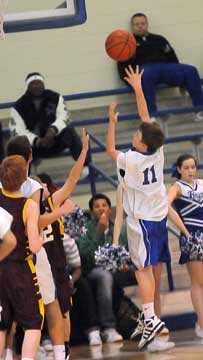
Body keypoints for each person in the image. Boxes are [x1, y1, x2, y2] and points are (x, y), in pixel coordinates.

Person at [106, 64, 171, 349]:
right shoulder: (157, 151)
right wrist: (137, 88)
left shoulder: (132, 160)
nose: (134, 133)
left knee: (142, 270)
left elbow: (109, 151)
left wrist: (111, 122)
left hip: (141, 220)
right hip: (158, 218)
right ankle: (149, 318)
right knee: (147, 269)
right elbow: (146, 117)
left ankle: (150, 317)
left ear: (142, 144)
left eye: (136, 135)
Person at [5, 135, 74, 360]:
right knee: (48, 307)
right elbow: (32, 223)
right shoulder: (33, 187)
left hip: (4, 256)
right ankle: (59, 353)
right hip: (28, 256)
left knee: (7, 317)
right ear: (31, 156)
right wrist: (59, 213)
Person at [114, 185, 174, 352]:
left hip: (158, 232)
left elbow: (166, 208)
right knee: (147, 288)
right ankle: (152, 335)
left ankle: (157, 334)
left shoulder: (155, 180)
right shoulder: (123, 185)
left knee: (155, 288)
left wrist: (185, 232)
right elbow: (119, 215)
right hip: (140, 233)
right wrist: (115, 243)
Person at [117, 13, 203, 121]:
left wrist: (182, 79)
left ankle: (200, 109)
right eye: (136, 24)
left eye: (142, 23)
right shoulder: (126, 44)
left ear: (147, 24)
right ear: (132, 27)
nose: (140, 26)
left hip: (165, 68)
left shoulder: (159, 39)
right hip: (145, 71)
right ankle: (151, 115)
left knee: (191, 70)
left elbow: (173, 60)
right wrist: (130, 82)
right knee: (146, 73)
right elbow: (123, 69)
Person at [0, 155, 44, 360]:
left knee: (1, 323)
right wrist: (42, 236)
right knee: (34, 320)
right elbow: (34, 246)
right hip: (20, 269)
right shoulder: (29, 206)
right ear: (24, 178)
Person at [77, 193, 135, 345]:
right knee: (105, 276)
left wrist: (125, 263)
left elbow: (126, 250)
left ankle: (149, 320)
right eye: (97, 206)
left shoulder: (118, 227)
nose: (101, 209)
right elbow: (86, 256)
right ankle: (108, 327)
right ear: (91, 211)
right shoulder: (85, 230)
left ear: (110, 209)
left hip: (117, 269)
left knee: (144, 271)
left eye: (104, 205)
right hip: (93, 270)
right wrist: (99, 233)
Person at [9, 72, 89, 176]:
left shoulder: (55, 97)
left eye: (39, 83)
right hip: (35, 147)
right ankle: (23, 177)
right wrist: (37, 141)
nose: (37, 86)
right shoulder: (19, 106)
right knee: (18, 143)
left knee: (70, 131)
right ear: (28, 87)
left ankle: (85, 166)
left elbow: (64, 117)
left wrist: (53, 130)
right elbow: (18, 130)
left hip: (54, 141)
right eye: (33, 83)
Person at [167, 153, 203, 338]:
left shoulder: (202, 183)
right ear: (179, 169)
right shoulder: (177, 187)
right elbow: (165, 206)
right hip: (192, 237)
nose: (190, 170)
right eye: (186, 167)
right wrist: (185, 231)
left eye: (193, 167)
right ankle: (201, 323)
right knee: (199, 281)